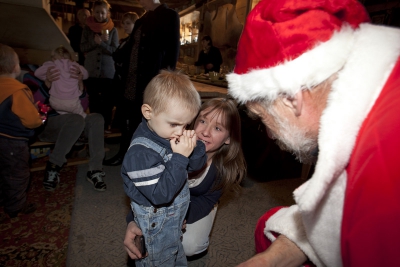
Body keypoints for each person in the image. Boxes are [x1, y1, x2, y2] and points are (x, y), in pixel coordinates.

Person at [225, 0, 400, 266]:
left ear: (291, 98)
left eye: (263, 118)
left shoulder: (383, 160)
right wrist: (270, 260)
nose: (270, 135)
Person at [123, 97, 246, 259]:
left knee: (189, 245)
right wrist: (133, 221)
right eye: (202, 121)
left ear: (229, 138)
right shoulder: (171, 146)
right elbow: (145, 189)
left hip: (197, 200)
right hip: (161, 199)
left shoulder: (223, 169)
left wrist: (181, 215)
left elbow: (206, 200)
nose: (205, 132)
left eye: (217, 128)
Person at [121, 70, 207, 266]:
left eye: (186, 125)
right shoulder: (140, 154)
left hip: (173, 225)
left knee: (177, 260)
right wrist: (179, 157)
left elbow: (196, 165)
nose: (180, 132)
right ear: (148, 112)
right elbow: (161, 195)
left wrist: (195, 145)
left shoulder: (165, 132)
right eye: (175, 124)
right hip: (154, 231)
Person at [103, 0, 180, 166]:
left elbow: (172, 51)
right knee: (127, 120)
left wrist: (165, 81)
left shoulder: (169, 16)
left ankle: (145, 160)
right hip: (131, 80)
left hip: (151, 80)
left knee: (148, 122)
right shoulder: (141, 20)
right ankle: (124, 154)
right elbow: (131, 48)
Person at [35, 66, 107, 192]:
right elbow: (33, 104)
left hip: (76, 124)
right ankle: (53, 166)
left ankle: (95, 170)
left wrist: (79, 84)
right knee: (75, 119)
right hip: (50, 125)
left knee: (96, 118)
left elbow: (83, 107)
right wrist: (47, 84)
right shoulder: (44, 79)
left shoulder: (74, 83)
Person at [0, 44, 42, 219]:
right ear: (15, 67)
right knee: (17, 175)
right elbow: (32, 120)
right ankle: (15, 207)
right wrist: (39, 118)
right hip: (13, 142)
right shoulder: (17, 90)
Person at [80, 0, 118, 130]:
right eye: (97, 12)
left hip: (107, 72)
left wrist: (101, 43)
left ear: (107, 13)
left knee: (107, 102)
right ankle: (94, 128)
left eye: (102, 12)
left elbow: (115, 50)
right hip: (91, 71)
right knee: (94, 101)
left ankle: (106, 126)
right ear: (92, 12)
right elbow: (82, 47)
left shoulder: (113, 29)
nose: (100, 15)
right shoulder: (87, 28)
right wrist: (95, 42)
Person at [34, 46, 89, 118]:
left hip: (55, 102)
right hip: (72, 102)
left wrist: (45, 78)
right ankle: (85, 119)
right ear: (70, 59)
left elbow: (37, 73)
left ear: (53, 58)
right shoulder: (75, 66)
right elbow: (86, 75)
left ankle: (64, 117)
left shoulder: (52, 66)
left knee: (62, 111)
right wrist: (79, 72)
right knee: (81, 115)